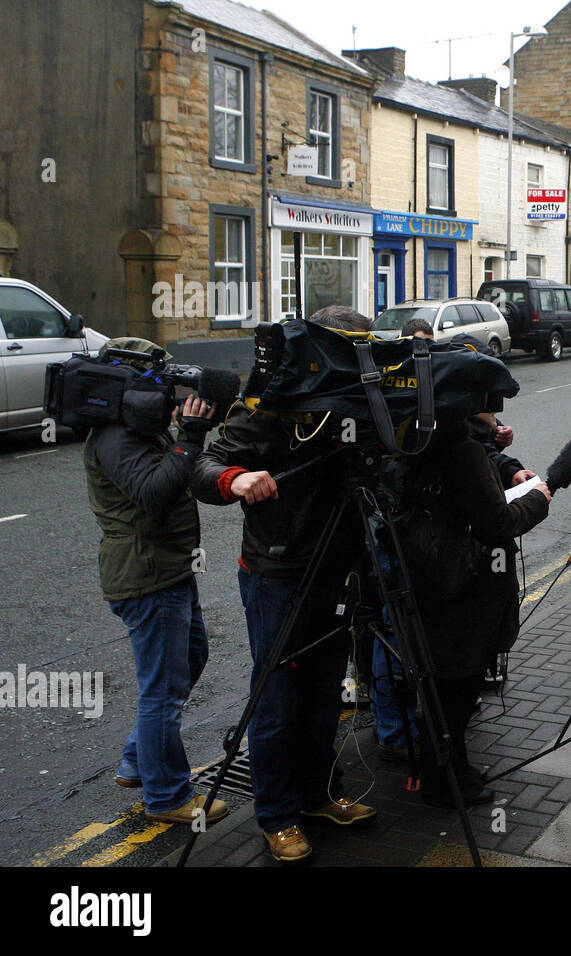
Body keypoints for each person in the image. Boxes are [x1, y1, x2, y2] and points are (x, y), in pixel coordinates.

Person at [192, 306, 379, 863]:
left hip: (337, 570)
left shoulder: (364, 401)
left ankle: (319, 794)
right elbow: (207, 466)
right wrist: (237, 479)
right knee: (277, 700)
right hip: (277, 573)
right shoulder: (272, 400)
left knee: (325, 693)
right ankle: (276, 815)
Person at [84, 338, 228, 827]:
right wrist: (189, 437)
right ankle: (166, 794)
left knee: (191, 658)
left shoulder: (136, 429)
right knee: (162, 690)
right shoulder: (116, 437)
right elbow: (152, 492)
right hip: (146, 575)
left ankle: (136, 762)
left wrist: (189, 438)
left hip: (167, 567)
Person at [403, 412, 551, 807]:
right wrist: (537, 500)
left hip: (433, 577)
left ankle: (453, 767)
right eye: (490, 406)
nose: (495, 414)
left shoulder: (424, 436)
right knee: (457, 685)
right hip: (464, 584)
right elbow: (497, 521)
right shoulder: (463, 449)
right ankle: (445, 782)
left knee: (446, 684)